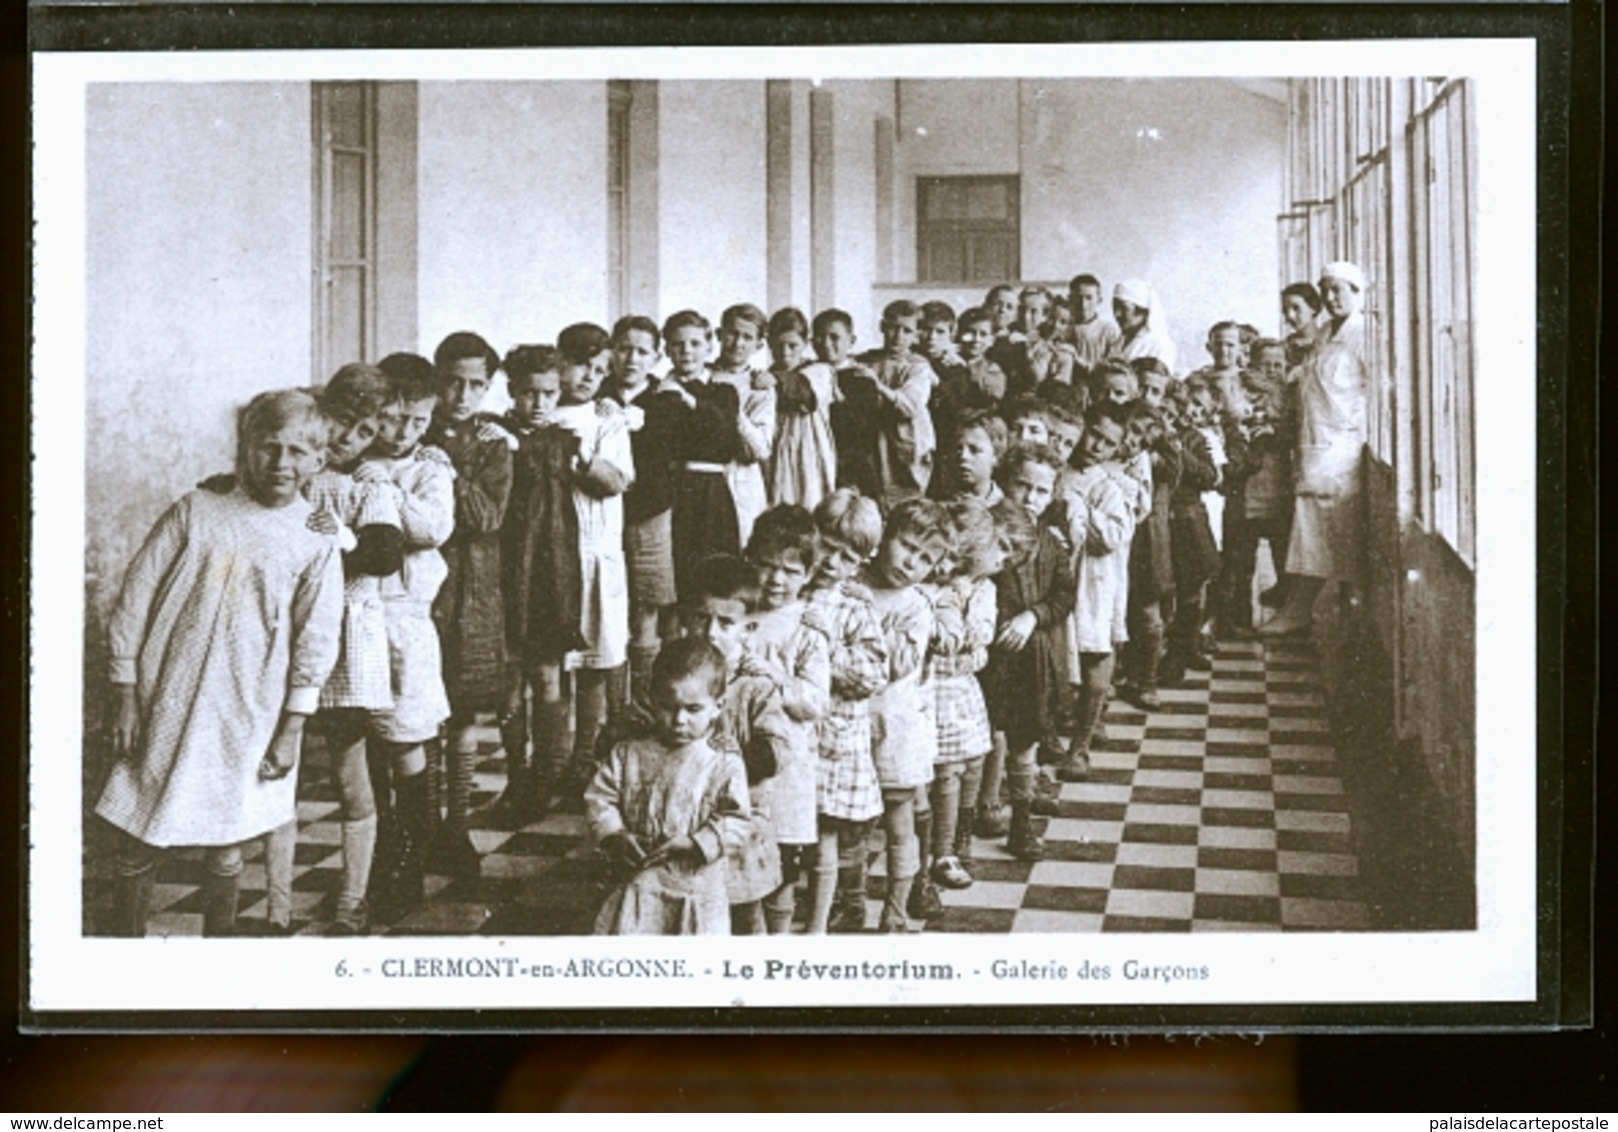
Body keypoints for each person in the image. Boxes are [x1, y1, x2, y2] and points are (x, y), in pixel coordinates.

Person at [96, 389, 343, 937]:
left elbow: (317, 638)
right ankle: (119, 953)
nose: (282, 463)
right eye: (269, 447)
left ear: (320, 459)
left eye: (299, 452)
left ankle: (219, 954)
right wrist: (126, 694)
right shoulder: (198, 511)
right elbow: (133, 598)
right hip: (168, 699)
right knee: (142, 826)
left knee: (228, 838)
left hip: (250, 707)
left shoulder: (315, 538)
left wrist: (292, 727)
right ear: (245, 448)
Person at [361, 353, 457, 919]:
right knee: (366, 747)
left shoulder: (428, 469)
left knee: (406, 743)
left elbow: (432, 528)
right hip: (357, 617)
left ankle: (411, 865)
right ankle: (378, 858)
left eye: (419, 421)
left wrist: (387, 489)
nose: (405, 432)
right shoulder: (356, 459)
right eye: (394, 418)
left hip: (406, 623)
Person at [584, 636, 751, 936]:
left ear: (718, 706)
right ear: (651, 699)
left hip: (696, 889)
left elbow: (736, 820)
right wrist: (615, 834)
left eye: (693, 709)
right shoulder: (629, 752)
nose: (678, 720)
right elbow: (600, 798)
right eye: (667, 707)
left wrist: (695, 843)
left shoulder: (723, 762)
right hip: (638, 883)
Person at [426, 331, 513, 878]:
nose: (462, 395)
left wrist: (450, 471)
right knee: (415, 717)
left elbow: (485, 518)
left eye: (476, 385)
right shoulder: (413, 430)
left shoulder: (493, 444)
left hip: (472, 593)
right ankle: (420, 825)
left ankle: (455, 827)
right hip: (422, 592)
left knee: (461, 713)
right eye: (453, 382)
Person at [678, 554, 794, 935]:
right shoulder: (675, 669)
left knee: (744, 915)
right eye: (701, 618)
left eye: (725, 623)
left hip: (740, 826)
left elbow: (777, 751)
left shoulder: (755, 686)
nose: (710, 631)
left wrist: (720, 762)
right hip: (686, 820)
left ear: (749, 629)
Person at [547, 323, 636, 791]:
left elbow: (619, 479)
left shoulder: (608, 419)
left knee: (595, 662)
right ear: (559, 360)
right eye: (581, 364)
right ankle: (555, 758)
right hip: (554, 558)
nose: (588, 376)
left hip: (598, 556)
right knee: (555, 665)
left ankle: (586, 754)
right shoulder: (539, 410)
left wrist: (580, 457)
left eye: (600, 369)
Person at [1263, 261, 1370, 636]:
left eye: (1337, 289)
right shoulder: (1325, 333)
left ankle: (1301, 611)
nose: (1329, 296)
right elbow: (1307, 376)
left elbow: (1379, 390)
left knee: (1330, 534)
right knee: (1311, 532)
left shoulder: (1364, 334)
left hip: (1342, 448)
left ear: (1357, 292)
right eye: (1325, 289)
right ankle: (1303, 610)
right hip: (1315, 443)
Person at [861, 497, 950, 931]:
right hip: (849, 725)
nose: (911, 562)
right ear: (885, 536)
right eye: (907, 546)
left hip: (893, 726)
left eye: (925, 559)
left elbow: (892, 667)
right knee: (849, 825)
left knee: (899, 822)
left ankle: (895, 908)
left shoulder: (915, 606)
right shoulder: (852, 584)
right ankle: (850, 898)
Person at [742, 506, 832, 933]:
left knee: (780, 864)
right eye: (766, 566)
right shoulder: (736, 617)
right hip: (737, 760)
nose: (776, 580)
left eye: (790, 571)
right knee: (740, 858)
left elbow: (813, 701)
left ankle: (778, 941)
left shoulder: (808, 629)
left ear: (809, 573)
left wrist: (771, 674)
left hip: (787, 767)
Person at [802, 488, 889, 934]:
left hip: (834, 738)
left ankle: (817, 927)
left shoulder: (855, 606)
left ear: (862, 562)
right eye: (825, 548)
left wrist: (829, 650)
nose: (831, 564)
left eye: (846, 557)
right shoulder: (788, 589)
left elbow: (875, 672)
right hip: (793, 733)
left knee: (824, 840)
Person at [984, 444, 1075, 855]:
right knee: (981, 736)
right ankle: (980, 810)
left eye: (1041, 491)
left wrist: (1033, 616)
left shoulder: (1052, 542)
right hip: (988, 654)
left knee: (1024, 741)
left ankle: (1021, 820)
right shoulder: (985, 533)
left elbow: (1063, 596)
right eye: (1022, 487)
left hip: (1032, 657)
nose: (1030, 499)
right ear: (1005, 483)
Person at [493, 344, 563, 819]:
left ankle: (547, 777)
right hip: (504, 571)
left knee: (548, 675)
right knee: (510, 679)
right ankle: (517, 775)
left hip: (553, 572)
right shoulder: (495, 436)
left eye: (548, 394)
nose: (537, 404)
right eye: (528, 394)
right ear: (512, 392)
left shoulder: (565, 439)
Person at [923, 499, 1002, 894]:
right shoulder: (927, 587)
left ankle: (958, 837)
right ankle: (939, 851)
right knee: (944, 772)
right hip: (930, 688)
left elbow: (980, 637)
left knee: (972, 762)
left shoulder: (982, 590)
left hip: (961, 688)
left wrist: (962, 599)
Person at [606, 316, 684, 700]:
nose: (631, 359)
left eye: (641, 351)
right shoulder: (594, 396)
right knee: (607, 613)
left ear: (655, 357)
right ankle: (613, 709)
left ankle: (646, 701)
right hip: (603, 517)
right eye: (624, 349)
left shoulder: (668, 399)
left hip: (650, 516)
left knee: (647, 611)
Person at [1055, 402, 1134, 782]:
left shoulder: (1108, 487)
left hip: (1094, 584)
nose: (1096, 446)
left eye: (1107, 443)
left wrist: (1080, 509)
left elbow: (1113, 538)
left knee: (1094, 666)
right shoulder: (1056, 472)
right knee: (1056, 665)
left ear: (1116, 450)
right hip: (1056, 580)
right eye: (1093, 434)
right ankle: (1053, 734)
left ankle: (1081, 746)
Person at [855, 299, 938, 506]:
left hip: (905, 444)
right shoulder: (867, 360)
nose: (898, 336)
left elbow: (909, 406)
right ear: (882, 327)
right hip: (871, 443)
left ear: (917, 335)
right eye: (893, 328)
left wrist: (877, 385)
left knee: (905, 503)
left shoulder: (918, 367)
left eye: (907, 331)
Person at [709, 303, 776, 547]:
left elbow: (760, 449)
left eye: (747, 337)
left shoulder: (761, 386)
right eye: (732, 334)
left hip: (741, 482)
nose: (738, 343)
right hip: (700, 480)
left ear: (759, 345)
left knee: (740, 548)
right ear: (719, 335)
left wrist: (732, 410)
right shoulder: (700, 375)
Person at [766, 307, 838, 513]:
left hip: (809, 452)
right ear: (769, 343)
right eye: (778, 345)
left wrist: (776, 380)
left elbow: (804, 392)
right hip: (777, 449)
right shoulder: (767, 376)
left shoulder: (819, 371)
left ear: (805, 344)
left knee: (811, 501)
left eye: (792, 345)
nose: (785, 352)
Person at [815, 308, 883, 502]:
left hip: (850, 467)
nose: (826, 344)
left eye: (834, 337)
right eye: (819, 337)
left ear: (851, 341)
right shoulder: (807, 374)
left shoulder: (861, 379)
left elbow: (865, 433)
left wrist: (840, 403)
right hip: (815, 462)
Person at [1112, 278, 1177, 372]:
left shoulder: (1160, 345)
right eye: (1115, 307)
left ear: (1142, 312)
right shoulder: (1119, 341)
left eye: (1124, 308)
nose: (1117, 314)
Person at [1067, 273, 1122, 369]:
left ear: (1099, 300)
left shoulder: (1108, 330)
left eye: (1089, 298)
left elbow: (1114, 365)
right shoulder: (1064, 328)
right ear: (1070, 299)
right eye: (1078, 298)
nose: (1083, 304)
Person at [1281, 281, 1325, 369]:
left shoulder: (1326, 342)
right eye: (1285, 310)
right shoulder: (1283, 347)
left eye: (1296, 308)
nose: (1290, 315)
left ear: (1313, 308)